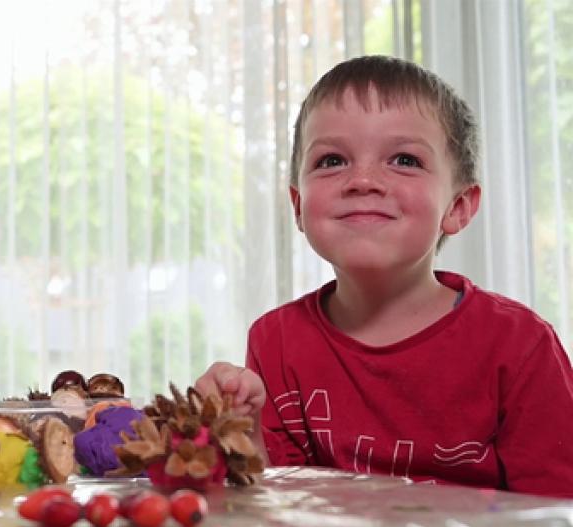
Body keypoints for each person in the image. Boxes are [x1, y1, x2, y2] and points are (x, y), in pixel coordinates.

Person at [196, 55, 573, 498]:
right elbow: (277, 502)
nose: (363, 180)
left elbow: (556, 520)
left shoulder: (519, 344)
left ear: (457, 207)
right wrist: (238, 432)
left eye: (404, 159)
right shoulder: (275, 341)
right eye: (332, 160)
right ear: (298, 206)